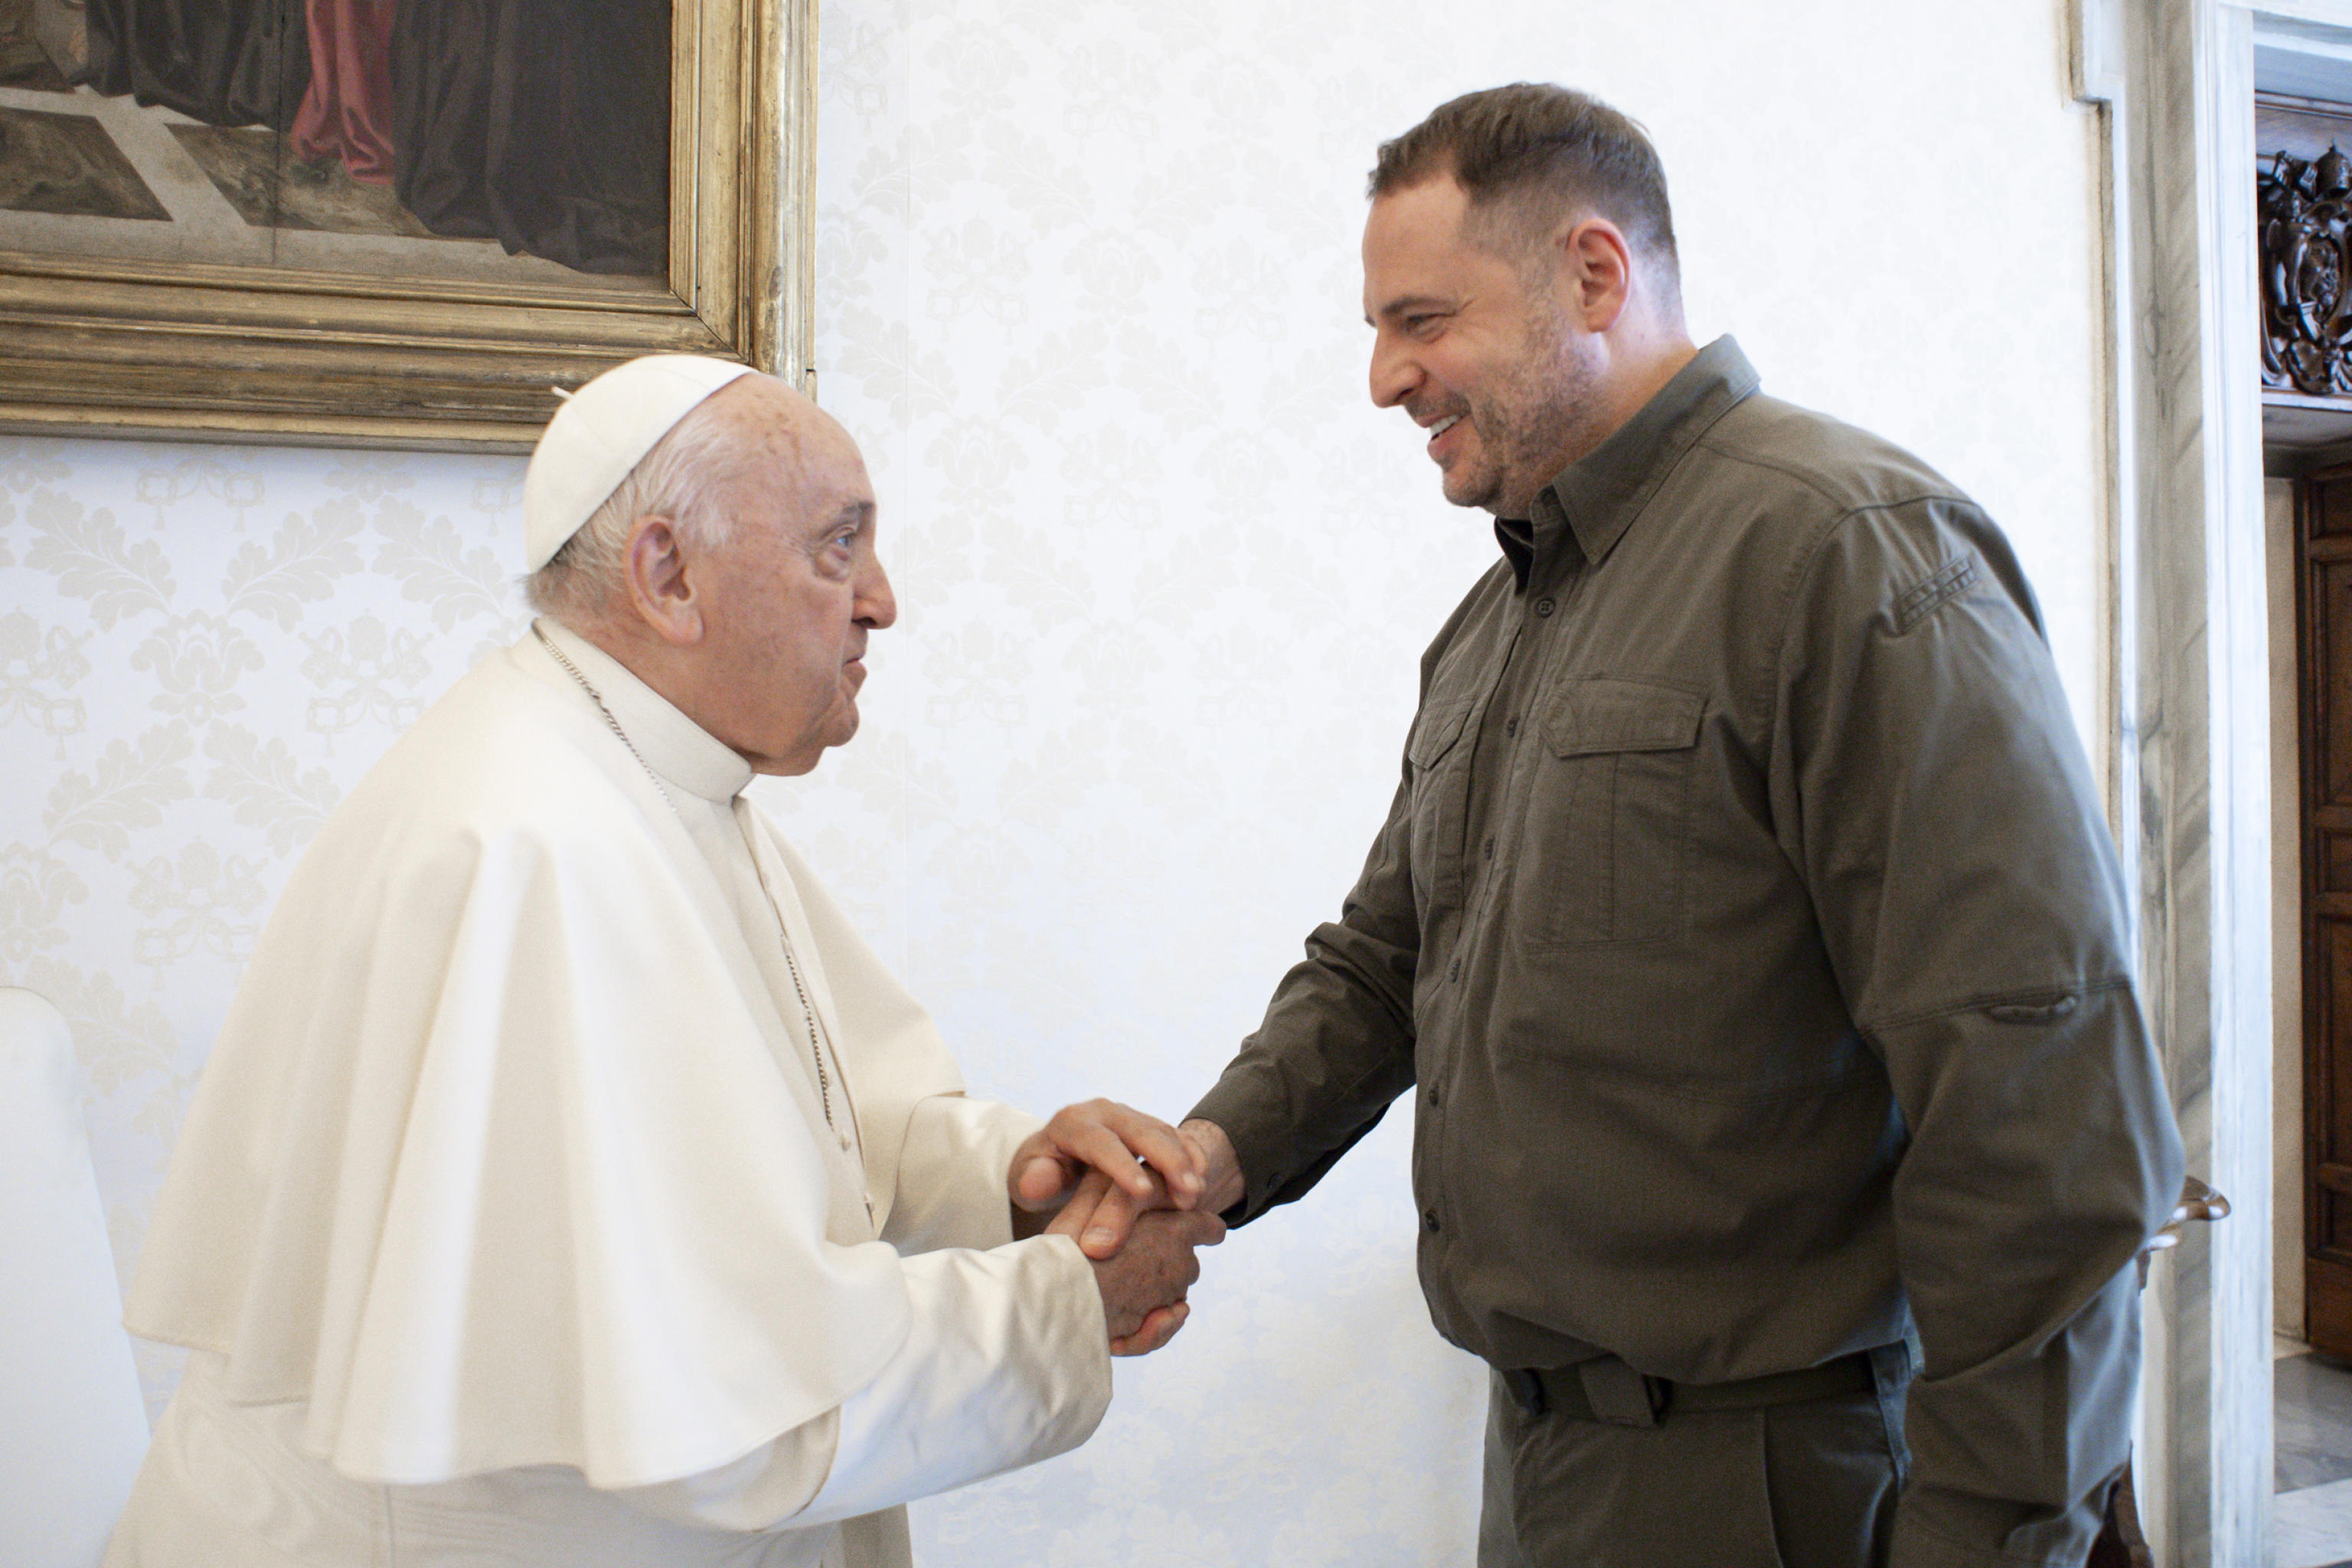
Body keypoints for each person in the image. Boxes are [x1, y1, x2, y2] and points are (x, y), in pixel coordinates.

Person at [1070, 84, 2183, 1566]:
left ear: (1594, 275)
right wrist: (1211, 1157)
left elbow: (2041, 1110)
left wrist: (1991, 1539)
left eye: (1420, 320)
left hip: (1778, 1489)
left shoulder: (1851, 556)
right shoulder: (1493, 622)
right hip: (1539, 1472)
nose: (1386, 378)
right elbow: (1381, 968)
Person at [102, 354, 1221, 1568]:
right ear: (669, 576)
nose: (882, 601)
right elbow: (733, 1408)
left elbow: (813, 1127)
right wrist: (1069, 1297)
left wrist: (1013, 1181)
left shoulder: (644, 775)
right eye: (839, 547)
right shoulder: (541, 842)